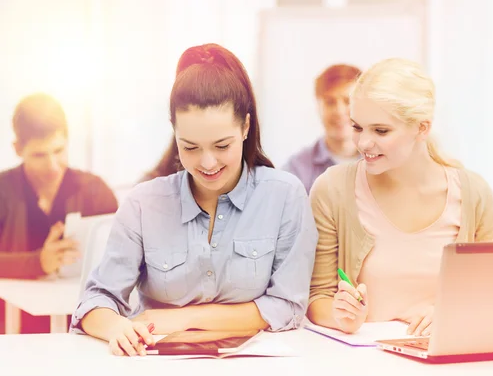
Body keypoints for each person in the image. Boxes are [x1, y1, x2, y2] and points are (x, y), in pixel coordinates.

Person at [71, 43, 318, 356]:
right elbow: (95, 301)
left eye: (221, 145)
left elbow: (287, 307)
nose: (208, 163)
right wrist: (118, 327)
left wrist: (177, 319)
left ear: (245, 127)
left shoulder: (285, 195)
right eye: (190, 147)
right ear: (174, 133)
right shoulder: (144, 203)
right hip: (157, 367)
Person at [306, 58, 493, 337]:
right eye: (358, 127)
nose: (363, 143)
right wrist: (343, 317)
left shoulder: (474, 194)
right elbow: (317, 298)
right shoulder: (332, 190)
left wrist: (453, 311)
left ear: (422, 128)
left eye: (381, 130)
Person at [0, 93, 118, 333]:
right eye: (39, 155)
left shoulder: (96, 191)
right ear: (17, 149)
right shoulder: (3, 190)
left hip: (83, 328)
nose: (53, 165)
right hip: (10, 330)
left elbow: (127, 260)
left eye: (59, 150)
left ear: (68, 140)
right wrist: (38, 263)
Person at [282, 64, 361, 192]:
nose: (339, 111)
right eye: (330, 102)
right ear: (318, 106)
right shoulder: (296, 169)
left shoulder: (384, 163)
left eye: (347, 101)